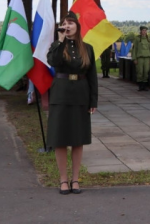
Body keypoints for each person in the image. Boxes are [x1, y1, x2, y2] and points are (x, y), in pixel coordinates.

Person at [47, 12, 97, 195]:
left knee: (78, 139)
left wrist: (93, 100)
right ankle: (63, 180)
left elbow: (92, 76)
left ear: (77, 26)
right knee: (60, 139)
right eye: (64, 23)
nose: (67, 26)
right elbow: (53, 62)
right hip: (60, 95)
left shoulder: (88, 48)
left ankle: (75, 180)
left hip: (80, 96)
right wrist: (59, 41)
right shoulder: (57, 46)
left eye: (70, 23)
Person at [131, 26, 150, 91]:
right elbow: (134, 49)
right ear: (140, 31)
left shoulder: (148, 39)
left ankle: (144, 86)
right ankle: (140, 86)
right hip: (140, 58)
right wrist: (134, 58)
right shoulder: (137, 39)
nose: (144, 32)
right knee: (140, 72)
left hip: (147, 58)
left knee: (146, 72)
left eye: (145, 30)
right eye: (143, 30)